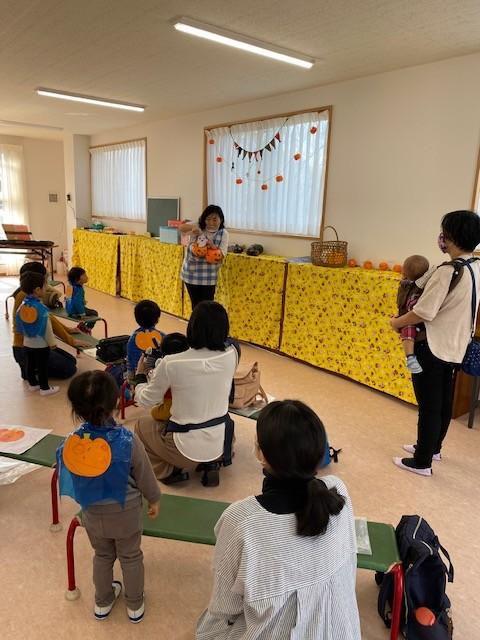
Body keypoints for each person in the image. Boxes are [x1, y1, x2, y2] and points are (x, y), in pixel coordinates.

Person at [196, 400, 360, 640]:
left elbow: (225, 607)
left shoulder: (241, 520)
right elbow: (349, 566)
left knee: (208, 628)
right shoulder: (338, 490)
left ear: (261, 454)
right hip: (342, 630)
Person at [56, 371, 161, 623]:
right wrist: (154, 499)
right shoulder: (127, 440)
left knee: (102, 556)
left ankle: (102, 602)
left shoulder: (72, 442)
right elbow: (145, 474)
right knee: (131, 556)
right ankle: (134, 605)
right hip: (126, 514)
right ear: (115, 402)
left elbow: (65, 467)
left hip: (92, 513)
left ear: (76, 409)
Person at [391, 210, 480, 476]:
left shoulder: (447, 271)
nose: (441, 238)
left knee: (429, 406)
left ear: (451, 236)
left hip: (432, 345)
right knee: (442, 402)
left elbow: (423, 312)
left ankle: (422, 462)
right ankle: (433, 448)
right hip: (456, 346)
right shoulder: (475, 267)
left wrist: (396, 322)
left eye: (444, 232)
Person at [134, 301, 237, 486]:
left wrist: (140, 378)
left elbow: (146, 400)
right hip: (223, 443)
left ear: (192, 327)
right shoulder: (232, 355)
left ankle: (169, 471)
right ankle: (211, 464)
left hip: (184, 449)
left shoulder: (171, 363)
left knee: (142, 425)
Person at [12, 262, 81, 380]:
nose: (47, 282)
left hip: (31, 347)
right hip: (27, 349)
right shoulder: (25, 297)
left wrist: (68, 330)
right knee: (70, 369)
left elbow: (49, 317)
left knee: (71, 360)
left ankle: (30, 367)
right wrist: (71, 341)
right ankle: (31, 370)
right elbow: (49, 323)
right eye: (45, 278)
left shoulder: (30, 293)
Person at [16, 271, 59, 396]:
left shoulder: (22, 306)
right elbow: (47, 329)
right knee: (42, 366)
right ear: (37, 290)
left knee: (30, 364)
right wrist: (52, 343)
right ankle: (44, 388)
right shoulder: (41, 309)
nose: (46, 288)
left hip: (27, 343)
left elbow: (19, 324)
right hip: (41, 344)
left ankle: (33, 384)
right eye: (45, 286)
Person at [179, 205, 229, 309]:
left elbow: (221, 255)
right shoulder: (199, 225)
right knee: (195, 305)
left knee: (207, 306)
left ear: (221, 219)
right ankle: (196, 319)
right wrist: (193, 228)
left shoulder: (223, 233)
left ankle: (204, 320)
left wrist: (212, 246)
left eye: (214, 219)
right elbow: (181, 227)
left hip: (209, 276)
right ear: (204, 219)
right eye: (208, 219)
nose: (211, 223)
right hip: (191, 273)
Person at [396, 254, 433, 374]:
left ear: (404, 272)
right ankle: (410, 357)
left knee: (408, 334)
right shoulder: (422, 286)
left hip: (410, 320)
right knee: (408, 332)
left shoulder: (409, 287)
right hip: (415, 321)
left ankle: (410, 357)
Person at [149, 332, 190, 422]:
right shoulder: (194, 364)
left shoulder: (165, 369)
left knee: (153, 412)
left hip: (173, 405)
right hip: (192, 403)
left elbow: (151, 393)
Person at [126, 299, 164, 381]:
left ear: (136, 319)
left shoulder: (132, 339)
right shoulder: (163, 337)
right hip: (157, 376)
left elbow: (130, 363)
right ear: (157, 319)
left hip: (138, 377)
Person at [66, 266, 98, 334]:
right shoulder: (79, 290)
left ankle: (81, 326)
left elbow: (67, 299)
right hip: (76, 312)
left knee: (85, 309)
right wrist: (82, 314)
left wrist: (69, 310)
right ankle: (87, 328)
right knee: (94, 313)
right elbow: (77, 302)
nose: (87, 277)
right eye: (84, 275)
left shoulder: (69, 286)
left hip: (69, 311)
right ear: (77, 279)